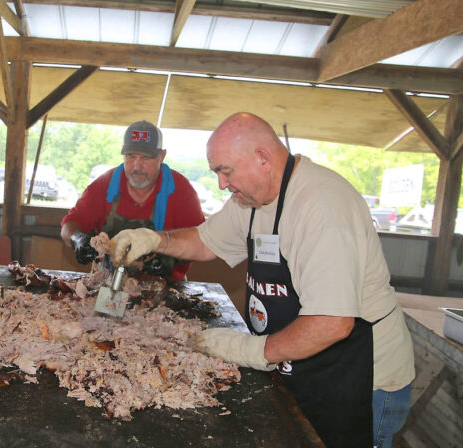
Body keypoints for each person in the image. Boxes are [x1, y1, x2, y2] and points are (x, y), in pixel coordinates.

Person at [109, 113, 414, 448]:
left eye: (225, 171)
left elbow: (333, 322)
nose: (222, 184)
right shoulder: (251, 199)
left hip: (360, 378)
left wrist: (251, 348)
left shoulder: (323, 207)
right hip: (298, 362)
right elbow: (204, 240)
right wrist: (155, 239)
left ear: (263, 160)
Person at [60, 120, 205, 280]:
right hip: (106, 285)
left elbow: (202, 240)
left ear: (161, 156)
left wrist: (171, 257)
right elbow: (68, 226)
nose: (137, 166)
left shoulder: (181, 191)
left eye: (146, 158)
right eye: (131, 156)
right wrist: (78, 239)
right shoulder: (104, 185)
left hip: (166, 289)